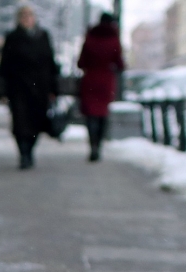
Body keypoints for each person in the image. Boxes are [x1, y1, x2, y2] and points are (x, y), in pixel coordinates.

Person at [0, 5, 60, 169]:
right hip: (18, 87)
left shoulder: (43, 36)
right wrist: (1, 90)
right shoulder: (12, 37)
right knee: (20, 122)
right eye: (23, 15)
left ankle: (30, 149)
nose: (26, 18)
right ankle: (24, 153)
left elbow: (51, 63)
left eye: (29, 15)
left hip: (40, 88)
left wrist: (54, 89)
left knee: (36, 121)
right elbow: (4, 65)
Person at [77, 12, 125, 161]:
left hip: (90, 79)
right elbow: (120, 63)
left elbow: (81, 62)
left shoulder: (90, 37)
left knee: (91, 115)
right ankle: (99, 144)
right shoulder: (114, 39)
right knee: (102, 114)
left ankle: (93, 145)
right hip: (106, 81)